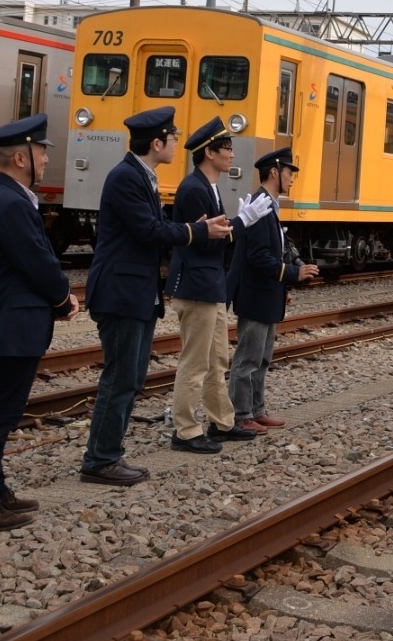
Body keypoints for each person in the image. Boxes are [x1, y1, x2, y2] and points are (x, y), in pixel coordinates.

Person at [80, 107, 232, 487]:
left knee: (131, 378)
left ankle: (107, 455)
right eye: (172, 138)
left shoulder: (140, 176)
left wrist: (190, 230)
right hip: (121, 293)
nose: (177, 143)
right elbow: (149, 230)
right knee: (120, 378)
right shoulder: (126, 178)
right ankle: (100, 459)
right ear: (157, 143)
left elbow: (157, 227)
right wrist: (197, 232)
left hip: (135, 292)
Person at [0, 113, 79, 531]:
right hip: (13, 326)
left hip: (14, 323)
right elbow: (36, 262)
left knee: (1, 412)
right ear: (22, 158)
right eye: (42, 150)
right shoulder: (10, 202)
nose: (46, 158)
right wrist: (63, 298)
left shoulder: (7, 196)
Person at [166, 117, 272, 454]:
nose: (231, 154)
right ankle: (185, 430)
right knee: (196, 362)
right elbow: (206, 242)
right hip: (197, 288)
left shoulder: (207, 186)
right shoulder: (195, 188)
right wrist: (241, 223)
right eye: (227, 148)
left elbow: (213, 238)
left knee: (216, 360)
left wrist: (236, 224)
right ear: (209, 153)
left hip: (209, 287)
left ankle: (222, 420)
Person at [228, 148, 318, 434]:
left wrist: (283, 285)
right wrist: (292, 273)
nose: (292, 178)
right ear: (275, 172)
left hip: (266, 293)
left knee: (262, 357)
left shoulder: (269, 205)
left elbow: (273, 252)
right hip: (255, 294)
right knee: (248, 358)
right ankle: (241, 415)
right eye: (290, 172)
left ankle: (256, 410)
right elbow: (258, 256)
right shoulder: (260, 205)